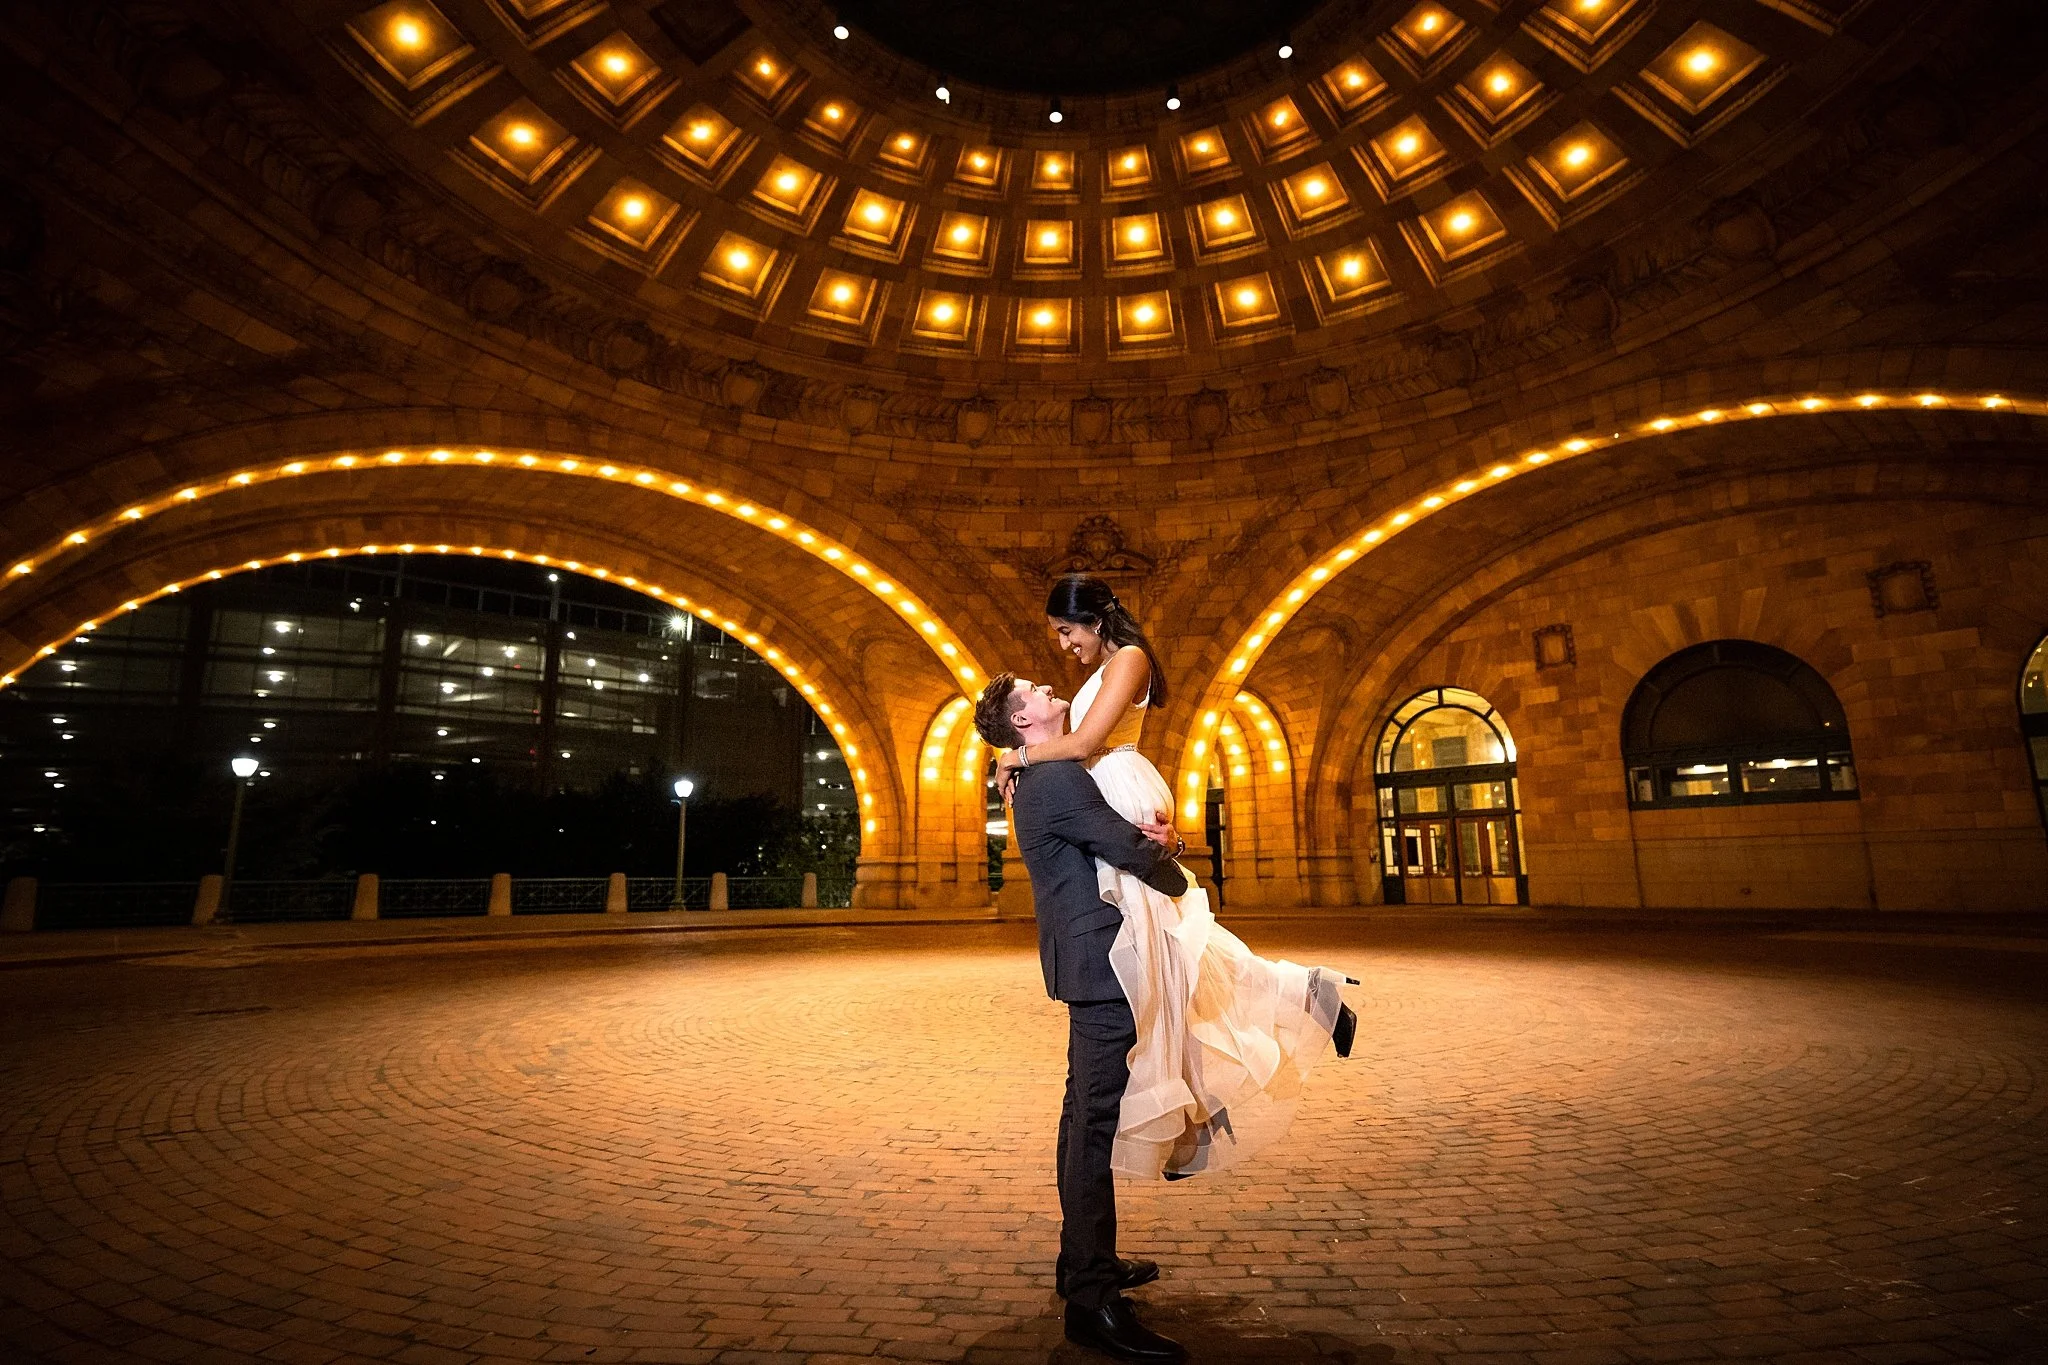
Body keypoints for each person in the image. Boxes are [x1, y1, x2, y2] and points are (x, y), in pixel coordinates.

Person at [992, 574, 1357, 1185]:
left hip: (1120, 788)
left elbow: (1084, 742)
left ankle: (1209, 1100)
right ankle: (1287, 1015)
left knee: (1166, 951)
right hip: (1107, 793)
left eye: (1066, 630)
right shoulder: (1104, 667)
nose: (1063, 645)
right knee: (1172, 954)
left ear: (1094, 620)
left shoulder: (1130, 658)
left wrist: (1016, 756)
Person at [975, 673, 1194, 1363]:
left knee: (1083, 1117)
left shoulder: (1038, 776)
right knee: (1092, 1123)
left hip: (1089, 962)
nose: (1049, 685)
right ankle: (1090, 1300)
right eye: (1034, 690)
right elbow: (1127, 848)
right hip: (1102, 967)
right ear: (1022, 719)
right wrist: (1177, 862)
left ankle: (1083, 1263)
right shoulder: (1058, 779)